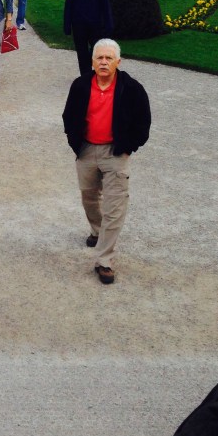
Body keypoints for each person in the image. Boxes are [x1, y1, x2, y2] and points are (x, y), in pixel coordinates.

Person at [62, 39, 151, 285]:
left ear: (118, 62)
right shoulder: (80, 86)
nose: (103, 62)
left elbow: (143, 123)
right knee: (89, 197)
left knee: (114, 207)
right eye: (99, 58)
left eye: (108, 58)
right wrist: (75, 144)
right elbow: (68, 116)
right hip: (87, 150)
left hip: (116, 152)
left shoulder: (132, 89)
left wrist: (127, 147)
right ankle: (96, 230)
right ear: (92, 62)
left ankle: (104, 260)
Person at [63, 0, 114, 75]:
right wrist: (67, 25)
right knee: (81, 52)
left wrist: (109, 23)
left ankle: (97, 74)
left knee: (97, 51)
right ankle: (85, 78)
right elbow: (69, 3)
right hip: (79, 23)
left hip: (95, 23)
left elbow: (105, 2)